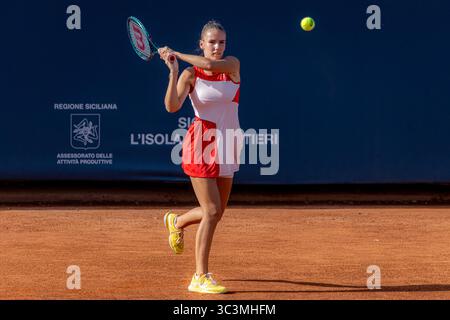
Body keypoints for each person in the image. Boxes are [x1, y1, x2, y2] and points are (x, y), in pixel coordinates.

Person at [159, 20, 241, 294]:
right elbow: (172, 107)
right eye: (212, 42)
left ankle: (177, 221)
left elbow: (211, 66)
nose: (217, 47)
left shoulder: (231, 65)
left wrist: (178, 54)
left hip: (228, 142)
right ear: (201, 44)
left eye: (222, 42)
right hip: (201, 143)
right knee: (212, 210)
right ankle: (200, 276)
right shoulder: (190, 75)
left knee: (217, 213)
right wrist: (173, 72)